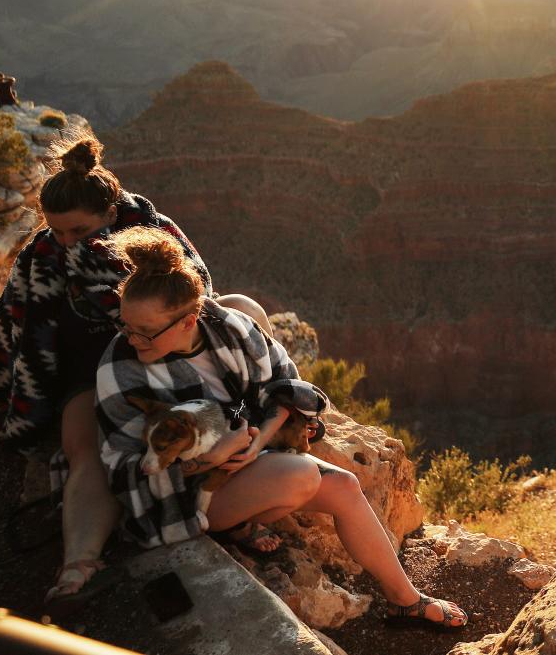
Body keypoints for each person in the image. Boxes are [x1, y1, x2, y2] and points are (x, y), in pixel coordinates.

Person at [96, 226, 468, 629]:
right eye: (126, 325)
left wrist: (255, 446)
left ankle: (406, 600)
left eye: (145, 331)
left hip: (254, 460)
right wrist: (207, 462)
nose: (131, 338)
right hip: (183, 497)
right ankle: (237, 525)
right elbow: (125, 471)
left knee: (344, 486)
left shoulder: (232, 329)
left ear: (188, 322)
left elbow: (286, 388)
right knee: (303, 475)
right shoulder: (121, 369)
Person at [0, 137, 256, 615]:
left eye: (77, 230)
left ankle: (229, 483)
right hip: (88, 369)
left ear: (111, 213)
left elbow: (199, 291)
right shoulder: (43, 252)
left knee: (244, 309)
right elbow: (11, 317)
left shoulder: (155, 234)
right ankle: (79, 567)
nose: (66, 241)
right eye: (57, 231)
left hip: (163, 358)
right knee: (86, 450)